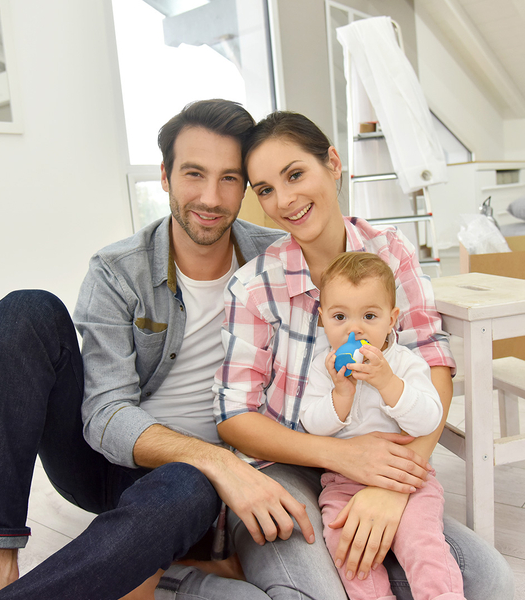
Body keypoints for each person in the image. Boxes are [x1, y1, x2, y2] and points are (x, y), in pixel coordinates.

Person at [0, 99, 326, 600]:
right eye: (194, 173)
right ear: (166, 177)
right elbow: (105, 413)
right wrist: (215, 461)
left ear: (247, 187)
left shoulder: (277, 259)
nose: (211, 197)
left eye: (230, 178)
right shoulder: (117, 269)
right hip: (109, 467)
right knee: (26, 311)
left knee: (189, 482)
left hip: (200, 491)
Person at [212, 111, 514, 599]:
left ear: (332, 162)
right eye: (265, 189)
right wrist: (345, 457)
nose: (284, 200)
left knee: (490, 581)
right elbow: (233, 418)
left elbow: (432, 366)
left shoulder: (390, 251)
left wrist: (394, 483)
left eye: (295, 174)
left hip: (382, 462)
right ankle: (194, 576)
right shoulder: (253, 286)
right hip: (281, 468)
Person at [300, 251, 464, 599]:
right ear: (322, 319)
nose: (354, 328)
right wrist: (341, 394)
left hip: (407, 479)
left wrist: (388, 383)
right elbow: (312, 424)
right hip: (342, 484)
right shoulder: (322, 367)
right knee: (345, 547)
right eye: (340, 316)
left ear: (392, 320)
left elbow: (429, 418)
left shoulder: (405, 363)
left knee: (423, 544)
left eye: (369, 316)